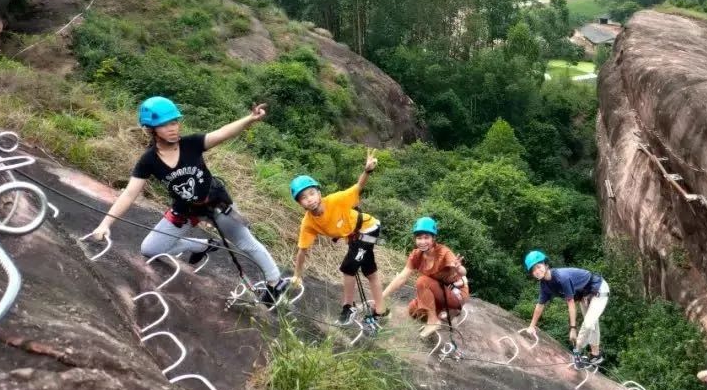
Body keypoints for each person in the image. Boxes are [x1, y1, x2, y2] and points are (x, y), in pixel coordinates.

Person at [89, 96, 288, 303]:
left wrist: (250, 119)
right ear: (150, 129)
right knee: (150, 249)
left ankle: (275, 282)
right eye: (164, 125)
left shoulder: (191, 144)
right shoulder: (148, 161)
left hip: (216, 204)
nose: (172, 128)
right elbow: (129, 194)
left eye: (174, 122)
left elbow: (221, 134)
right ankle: (201, 245)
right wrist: (105, 224)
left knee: (245, 242)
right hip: (185, 210)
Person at [290, 150, 384, 326]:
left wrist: (367, 171)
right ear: (299, 203)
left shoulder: (336, 200)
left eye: (311, 193)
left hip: (369, 228)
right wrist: (297, 275)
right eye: (303, 198)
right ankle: (381, 310)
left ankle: (348, 307)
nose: (309, 199)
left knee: (348, 267)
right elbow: (302, 250)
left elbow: (358, 187)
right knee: (369, 271)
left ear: (319, 193)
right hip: (354, 237)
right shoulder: (308, 223)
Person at [382, 217, 468, 338]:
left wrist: (459, 268)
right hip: (438, 291)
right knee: (413, 310)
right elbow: (401, 277)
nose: (422, 242)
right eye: (419, 238)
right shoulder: (416, 255)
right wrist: (381, 298)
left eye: (426, 237)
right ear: (415, 239)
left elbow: (463, 272)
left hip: (455, 292)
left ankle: (434, 321)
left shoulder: (444, 252)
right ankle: (444, 312)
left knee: (422, 281)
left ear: (433, 238)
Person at [523, 250, 608, 366]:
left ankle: (577, 352)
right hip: (584, 295)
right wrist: (532, 326)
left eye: (538, 266)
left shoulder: (561, 277)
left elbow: (571, 303)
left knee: (588, 324)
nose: (537, 271)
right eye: (533, 270)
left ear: (546, 265)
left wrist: (573, 328)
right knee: (592, 324)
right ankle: (596, 355)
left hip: (598, 288)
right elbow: (540, 305)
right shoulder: (544, 285)